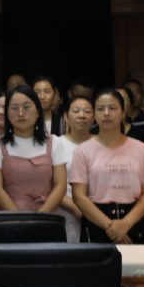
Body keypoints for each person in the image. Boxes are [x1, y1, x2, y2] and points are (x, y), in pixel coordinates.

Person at [71, 89, 144, 244]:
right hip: (96, 220)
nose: (106, 113)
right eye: (100, 109)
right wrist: (111, 227)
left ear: (123, 112)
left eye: (112, 108)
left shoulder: (142, 149)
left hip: (133, 220)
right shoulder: (82, 151)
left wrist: (126, 223)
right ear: (94, 114)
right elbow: (79, 196)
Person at [0, 85, 68, 214]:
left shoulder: (54, 143)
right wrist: (21, 219)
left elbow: (60, 186)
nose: (20, 113)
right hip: (11, 218)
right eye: (14, 108)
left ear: (37, 111)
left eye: (26, 107)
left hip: (47, 218)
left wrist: (40, 216)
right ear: (8, 114)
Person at [53, 96, 94, 243]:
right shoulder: (55, 144)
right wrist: (75, 209)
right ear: (66, 116)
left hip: (98, 214)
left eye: (87, 111)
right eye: (76, 111)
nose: (82, 115)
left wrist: (91, 213)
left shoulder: (103, 144)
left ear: (94, 117)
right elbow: (50, 184)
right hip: (64, 211)